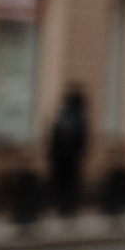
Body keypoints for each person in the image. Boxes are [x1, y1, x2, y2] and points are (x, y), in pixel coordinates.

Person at [45, 85, 88, 216]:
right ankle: (68, 208)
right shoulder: (78, 117)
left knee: (60, 181)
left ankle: (59, 205)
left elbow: (54, 134)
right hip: (71, 158)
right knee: (70, 182)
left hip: (60, 157)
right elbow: (82, 139)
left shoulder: (63, 115)